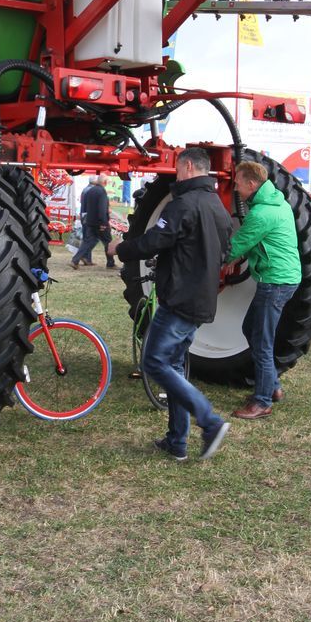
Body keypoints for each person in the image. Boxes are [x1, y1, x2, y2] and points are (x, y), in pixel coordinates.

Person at [110, 148, 232, 462]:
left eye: (177, 170)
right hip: (200, 299)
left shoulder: (183, 204)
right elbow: (222, 251)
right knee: (175, 367)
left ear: (188, 167)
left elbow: (154, 240)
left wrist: (120, 247)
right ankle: (177, 441)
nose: (175, 176)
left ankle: (209, 421)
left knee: (154, 363)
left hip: (178, 300)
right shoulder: (217, 206)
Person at [225, 160, 302, 419]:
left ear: (251, 183)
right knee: (252, 330)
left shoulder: (261, 213)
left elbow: (237, 244)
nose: (235, 187)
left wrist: (213, 260)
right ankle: (273, 387)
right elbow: (255, 240)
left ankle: (262, 401)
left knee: (262, 341)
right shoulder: (278, 203)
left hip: (275, 282)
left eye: (237, 182)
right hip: (283, 278)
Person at [72, 175, 116, 270]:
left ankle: (75, 260)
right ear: (104, 182)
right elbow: (101, 209)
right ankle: (110, 263)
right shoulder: (102, 192)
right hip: (100, 222)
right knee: (108, 242)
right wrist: (103, 223)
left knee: (88, 241)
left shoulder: (89, 191)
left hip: (90, 221)